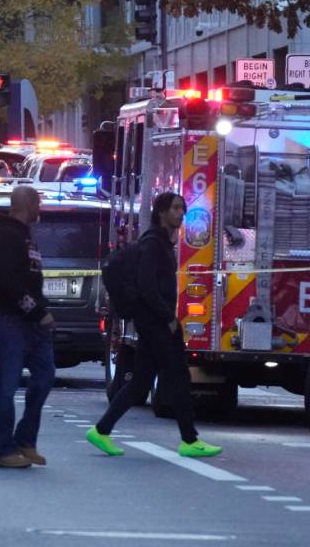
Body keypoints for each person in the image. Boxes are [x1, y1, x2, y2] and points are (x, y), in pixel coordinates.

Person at [86, 192, 222, 458]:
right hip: (154, 322)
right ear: (160, 213)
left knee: (141, 381)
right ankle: (189, 440)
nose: (180, 213)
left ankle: (101, 430)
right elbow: (147, 286)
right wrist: (168, 317)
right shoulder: (153, 245)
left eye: (182, 208)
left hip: (151, 321)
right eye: (175, 208)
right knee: (179, 376)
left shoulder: (161, 244)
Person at [0, 186, 56, 469]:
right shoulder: (5, 235)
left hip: (33, 322)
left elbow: (29, 277)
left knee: (45, 376)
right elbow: (9, 280)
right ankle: (2, 450)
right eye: (37, 202)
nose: (41, 208)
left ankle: (26, 440)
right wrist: (36, 310)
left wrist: (41, 310)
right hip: (10, 320)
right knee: (8, 385)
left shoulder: (25, 235)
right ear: (27, 204)